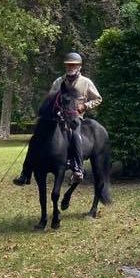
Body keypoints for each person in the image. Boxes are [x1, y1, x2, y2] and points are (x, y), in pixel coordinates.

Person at [13, 52, 102, 185]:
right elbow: (50, 98)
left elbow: (98, 99)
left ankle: (77, 168)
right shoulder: (58, 81)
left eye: (73, 65)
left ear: (79, 67)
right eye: (68, 65)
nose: (70, 67)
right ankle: (25, 173)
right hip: (57, 117)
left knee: (75, 136)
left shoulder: (86, 82)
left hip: (74, 117)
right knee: (36, 137)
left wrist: (85, 105)